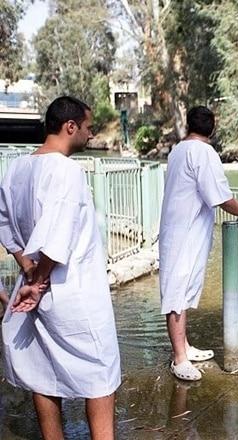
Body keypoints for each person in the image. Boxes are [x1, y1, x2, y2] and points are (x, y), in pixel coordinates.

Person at [0, 96, 122, 439]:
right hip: (74, 294)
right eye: (88, 127)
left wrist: (26, 267)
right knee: (100, 375)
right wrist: (38, 282)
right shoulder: (67, 170)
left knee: (43, 372)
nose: (91, 133)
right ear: (70, 127)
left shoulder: (16, 168)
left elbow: (5, 225)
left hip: (34, 289)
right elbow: (58, 237)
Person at [160, 106, 238, 381]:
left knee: (183, 287)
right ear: (213, 128)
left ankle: (184, 347)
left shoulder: (178, 150)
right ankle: (178, 358)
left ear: (188, 125)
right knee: (177, 293)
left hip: (180, 229)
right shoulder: (203, 153)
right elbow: (219, 195)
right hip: (185, 231)